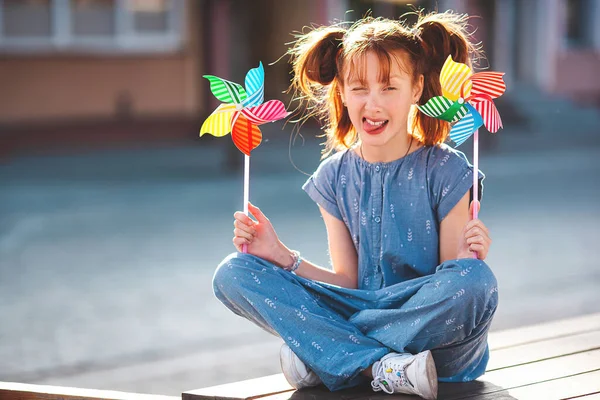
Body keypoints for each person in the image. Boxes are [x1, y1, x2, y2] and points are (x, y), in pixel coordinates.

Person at [212, 11, 498, 400]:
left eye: (389, 87)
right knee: (234, 272)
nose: (373, 103)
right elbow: (348, 282)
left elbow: (450, 279)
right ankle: (374, 366)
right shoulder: (333, 176)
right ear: (342, 92)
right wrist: (279, 255)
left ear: (416, 88)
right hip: (360, 307)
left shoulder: (447, 170)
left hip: (435, 345)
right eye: (359, 87)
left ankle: (328, 353)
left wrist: (467, 257)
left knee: (475, 283)